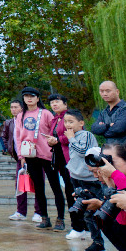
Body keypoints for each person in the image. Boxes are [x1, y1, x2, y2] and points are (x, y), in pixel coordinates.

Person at [14, 88, 64, 231]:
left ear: (37, 98)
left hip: (47, 155)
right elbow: (18, 136)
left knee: (55, 187)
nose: (29, 99)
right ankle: (44, 218)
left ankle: (60, 219)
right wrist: (21, 156)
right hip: (30, 156)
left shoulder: (46, 113)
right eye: (26, 96)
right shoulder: (21, 115)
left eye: (32, 96)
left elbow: (53, 131)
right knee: (38, 188)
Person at [63, 109, 103, 248]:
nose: (67, 125)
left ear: (81, 123)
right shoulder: (73, 136)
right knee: (83, 209)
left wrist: (71, 138)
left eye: (71, 121)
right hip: (76, 177)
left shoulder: (86, 135)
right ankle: (90, 235)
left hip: (89, 179)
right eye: (65, 122)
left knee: (91, 210)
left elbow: (83, 152)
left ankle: (98, 241)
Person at [1, 98, 40, 223]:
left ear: (22, 108)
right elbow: (4, 137)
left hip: (34, 157)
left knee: (37, 184)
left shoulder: (29, 120)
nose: (13, 110)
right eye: (11, 107)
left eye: (16, 107)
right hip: (20, 158)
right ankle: (21, 211)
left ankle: (39, 212)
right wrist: (10, 150)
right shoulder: (9, 122)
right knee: (20, 185)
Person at [48, 93, 79, 232]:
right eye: (52, 102)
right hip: (59, 157)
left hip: (70, 157)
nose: (54, 104)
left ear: (65, 104)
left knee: (72, 190)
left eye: (57, 101)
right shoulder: (55, 119)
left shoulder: (69, 117)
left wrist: (57, 140)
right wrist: (50, 141)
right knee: (67, 189)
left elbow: (73, 135)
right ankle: (75, 224)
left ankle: (79, 225)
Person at [91, 80, 126, 146]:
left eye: (108, 91)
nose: (104, 94)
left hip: (125, 148)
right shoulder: (104, 112)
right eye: (101, 91)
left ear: (117, 92)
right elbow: (94, 129)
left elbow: (118, 129)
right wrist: (108, 125)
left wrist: (102, 131)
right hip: (109, 148)